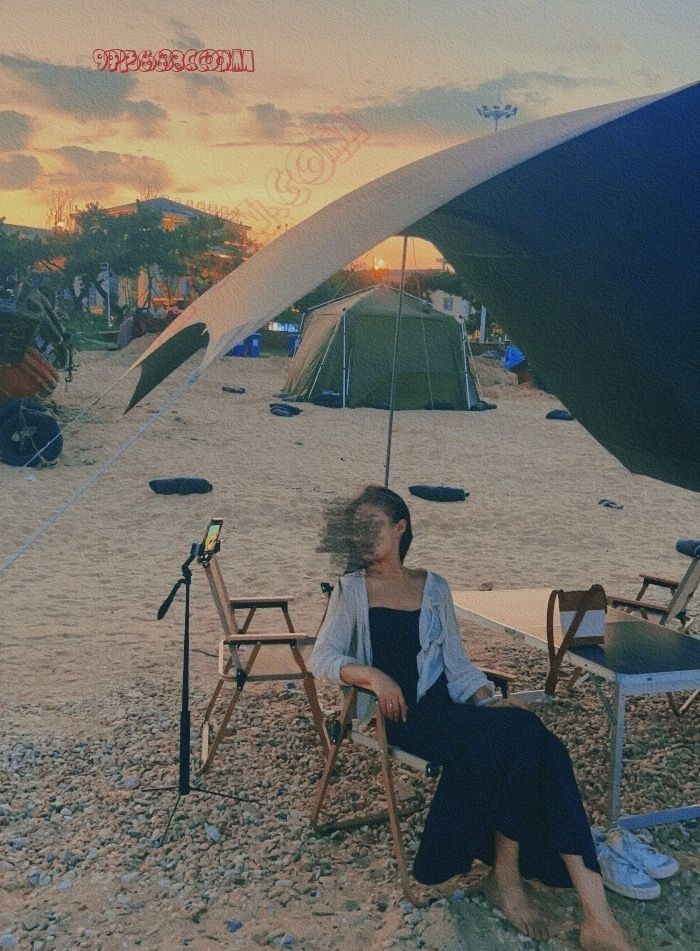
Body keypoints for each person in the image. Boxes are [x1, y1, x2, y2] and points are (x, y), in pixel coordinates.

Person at [310, 485, 636, 951]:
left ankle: (590, 915)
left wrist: (488, 701)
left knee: (533, 738)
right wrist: (374, 676)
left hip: (449, 711)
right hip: (402, 719)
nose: (362, 535)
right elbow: (322, 658)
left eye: (372, 525)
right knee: (533, 740)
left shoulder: (434, 587)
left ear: (400, 527)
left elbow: (458, 666)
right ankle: (546, 895)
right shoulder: (351, 590)